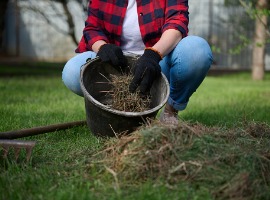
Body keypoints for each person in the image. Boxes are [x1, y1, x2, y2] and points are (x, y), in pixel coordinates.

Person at [62, 0, 213, 127]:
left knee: (197, 51)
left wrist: (154, 54)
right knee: (72, 72)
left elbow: (177, 22)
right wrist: (102, 47)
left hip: (157, 63)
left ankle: (170, 113)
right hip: (116, 67)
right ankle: (113, 108)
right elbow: (92, 28)